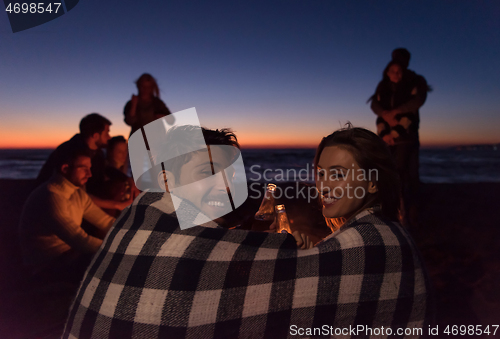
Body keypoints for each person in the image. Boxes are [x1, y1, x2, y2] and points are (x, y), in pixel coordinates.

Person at [63, 126, 432, 338]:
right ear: (164, 177)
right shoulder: (150, 226)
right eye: (321, 173)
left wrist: (278, 251)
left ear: (371, 184)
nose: (223, 187)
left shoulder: (138, 225)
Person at [19, 147, 115, 284]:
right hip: (46, 266)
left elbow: (105, 221)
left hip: (70, 255)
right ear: (65, 168)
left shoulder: (77, 193)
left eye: (90, 168)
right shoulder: (50, 197)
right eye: (83, 168)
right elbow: (80, 241)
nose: (89, 174)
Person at [369, 49, 430, 226]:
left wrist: (395, 113)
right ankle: (396, 211)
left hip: (407, 136)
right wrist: (384, 122)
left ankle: (410, 211)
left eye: (401, 65)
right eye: (394, 67)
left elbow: (417, 102)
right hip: (387, 138)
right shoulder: (384, 85)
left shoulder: (414, 80)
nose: (397, 71)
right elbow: (375, 104)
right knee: (392, 173)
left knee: (410, 173)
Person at [37, 113, 131, 212]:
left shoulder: (96, 152)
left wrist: (128, 179)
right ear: (95, 136)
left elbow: (106, 169)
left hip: (85, 195)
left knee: (118, 185)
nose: (109, 137)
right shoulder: (73, 153)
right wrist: (117, 205)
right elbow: (80, 194)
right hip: (54, 202)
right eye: (107, 133)